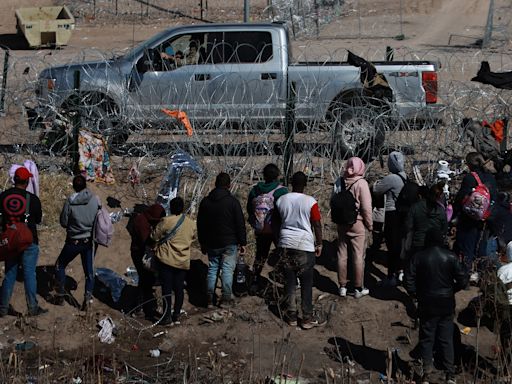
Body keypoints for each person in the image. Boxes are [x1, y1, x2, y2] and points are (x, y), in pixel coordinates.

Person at [404, 228, 468, 384]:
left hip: (427, 303)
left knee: (427, 338)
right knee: (446, 339)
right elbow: (463, 280)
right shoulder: (451, 257)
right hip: (446, 303)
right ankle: (450, 374)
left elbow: (408, 280)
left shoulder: (418, 257)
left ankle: (426, 373)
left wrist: (415, 294)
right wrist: (452, 290)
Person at [276, 171, 325, 329]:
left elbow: (276, 222)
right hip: (304, 245)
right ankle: (306, 317)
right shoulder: (310, 201)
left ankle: (291, 315)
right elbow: (316, 223)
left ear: (291, 183)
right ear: (305, 184)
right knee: (306, 282)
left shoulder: (281, 200)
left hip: (285, 243)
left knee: (289, 281)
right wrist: (319, 243)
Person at [0, 167, 46, 317]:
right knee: (29, 274)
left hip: (10, 242)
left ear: (14, 180)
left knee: (9, 274)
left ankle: (3, 308)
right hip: (29, 240)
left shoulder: (3, 196)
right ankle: (32, 308)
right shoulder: (32, 199)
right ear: (27, 182)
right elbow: (38, 219)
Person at [197, 172, 247, 307]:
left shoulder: (206, 202)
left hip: (212, 242)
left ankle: (209, 298)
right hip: (229, 242)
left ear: (215, 184)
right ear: (229, 185)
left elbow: (200, 224)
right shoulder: (232, 202)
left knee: (213, 268)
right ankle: (226, 299)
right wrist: (243, 242)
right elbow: (240, 223)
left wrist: (202, 242)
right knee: (227, 269)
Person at [54, 175, 100, 311]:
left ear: (74, 186)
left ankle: (61, 295)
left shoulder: (70, 201)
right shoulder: (94, 199)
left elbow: (63, 222)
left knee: (60, 265)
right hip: (88, 242)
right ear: (85, 185)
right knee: (89, 272)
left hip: (73, 241)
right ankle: (88, 301)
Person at [453, 152, 498, 283]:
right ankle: (482, 275)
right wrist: (487, 214)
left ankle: (465, 276)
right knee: (482, 246)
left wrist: (455, 214)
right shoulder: (490, 178)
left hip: (469, 218)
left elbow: (461, 198)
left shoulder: (469, 178)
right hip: (485, 218)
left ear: (469, 164)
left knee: (467, 247)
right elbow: (494, 198)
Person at [151, 197, 195, 325]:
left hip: (167, 260)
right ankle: (176, 313)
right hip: (182, 261)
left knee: (167, 289)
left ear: (170, 207)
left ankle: (166, 317)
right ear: (182, 208)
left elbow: (154, 236)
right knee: (179, 288)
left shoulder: (166, 221)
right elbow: (193, 237)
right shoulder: (191, 223)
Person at [334, 157, 373, 298]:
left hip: (341, 223)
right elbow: (367, 208)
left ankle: (342, 286)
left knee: (342, 255)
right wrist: (369, 225)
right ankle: (358, 287)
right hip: (357, 223)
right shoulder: (361, 183)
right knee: (358, 256)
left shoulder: (339, 181)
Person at [246, 163, 288, 293]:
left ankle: (255, 280)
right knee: (283, 254)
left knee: (260, 255)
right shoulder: (281, 191)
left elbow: (249, 208)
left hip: (261, 228)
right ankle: (288, 279)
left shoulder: (255, 190)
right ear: (277, 175)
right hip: (276, 228)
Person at [373, 151, 407, 286]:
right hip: (403, 215)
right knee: (400, 245)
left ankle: (391, 277)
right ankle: (400, 271)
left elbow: (377, 190)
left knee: (392, 246)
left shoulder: (392, 178)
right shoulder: (405, 177)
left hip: (392, 214)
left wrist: (376, 182)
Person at [127, 203, 165, 321]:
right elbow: (147, 241)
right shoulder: (142, 223)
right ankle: (140, 308)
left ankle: (143, 306)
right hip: (139, 253)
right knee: (144, 280)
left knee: (146, 280)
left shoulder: (142, 218)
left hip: (140, 251)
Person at [405, 182, 448, 257]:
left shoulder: (415, 207)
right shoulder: (441, 211)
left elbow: (409, 226)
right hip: (435, 245)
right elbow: (444, 229)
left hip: (418, 243)